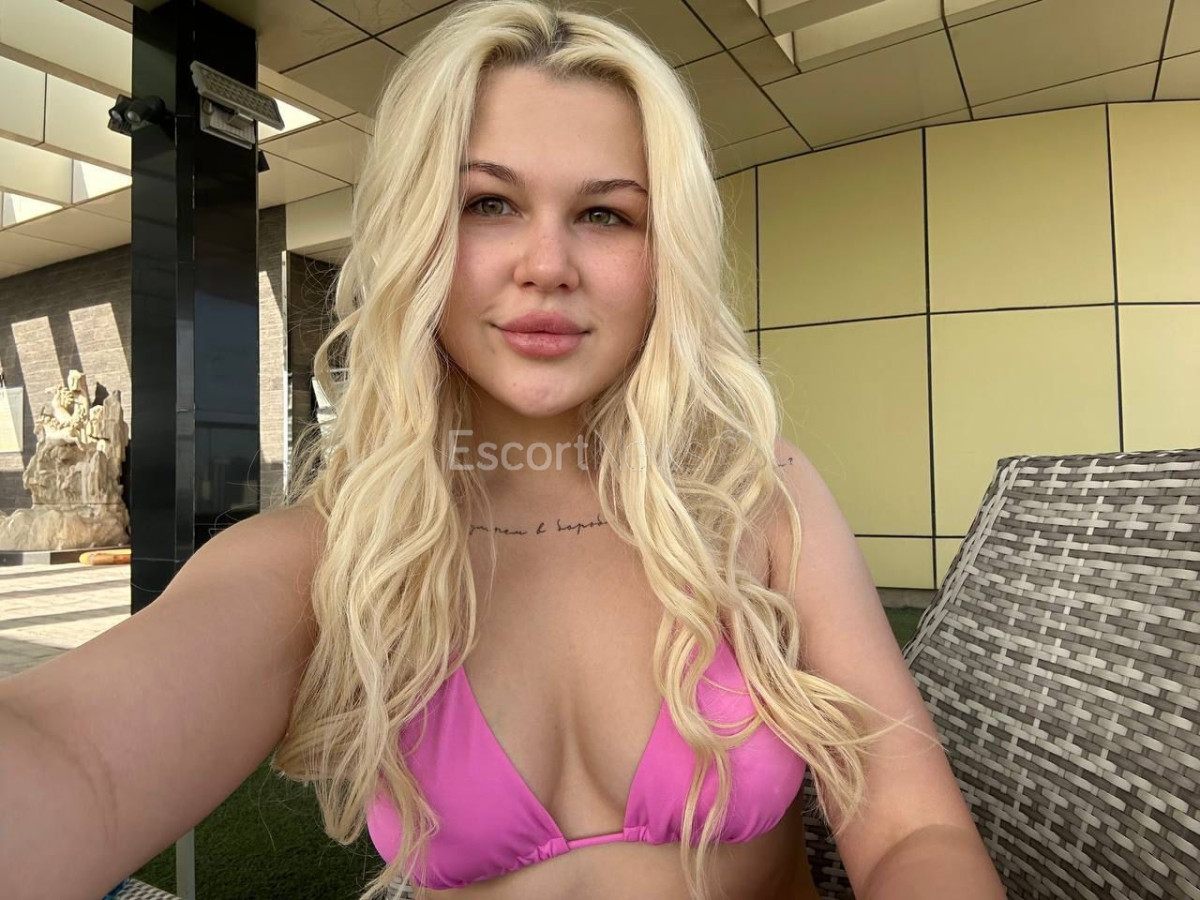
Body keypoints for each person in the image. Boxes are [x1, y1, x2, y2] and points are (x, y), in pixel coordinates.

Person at [0, 2, 1008, 899]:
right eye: (489, 203)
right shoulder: (331, 556)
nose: (547, 264)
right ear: (418, 236)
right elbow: (73, 759)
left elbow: (911, 828)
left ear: (665, 257)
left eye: (605, 214)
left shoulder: (756, 494)